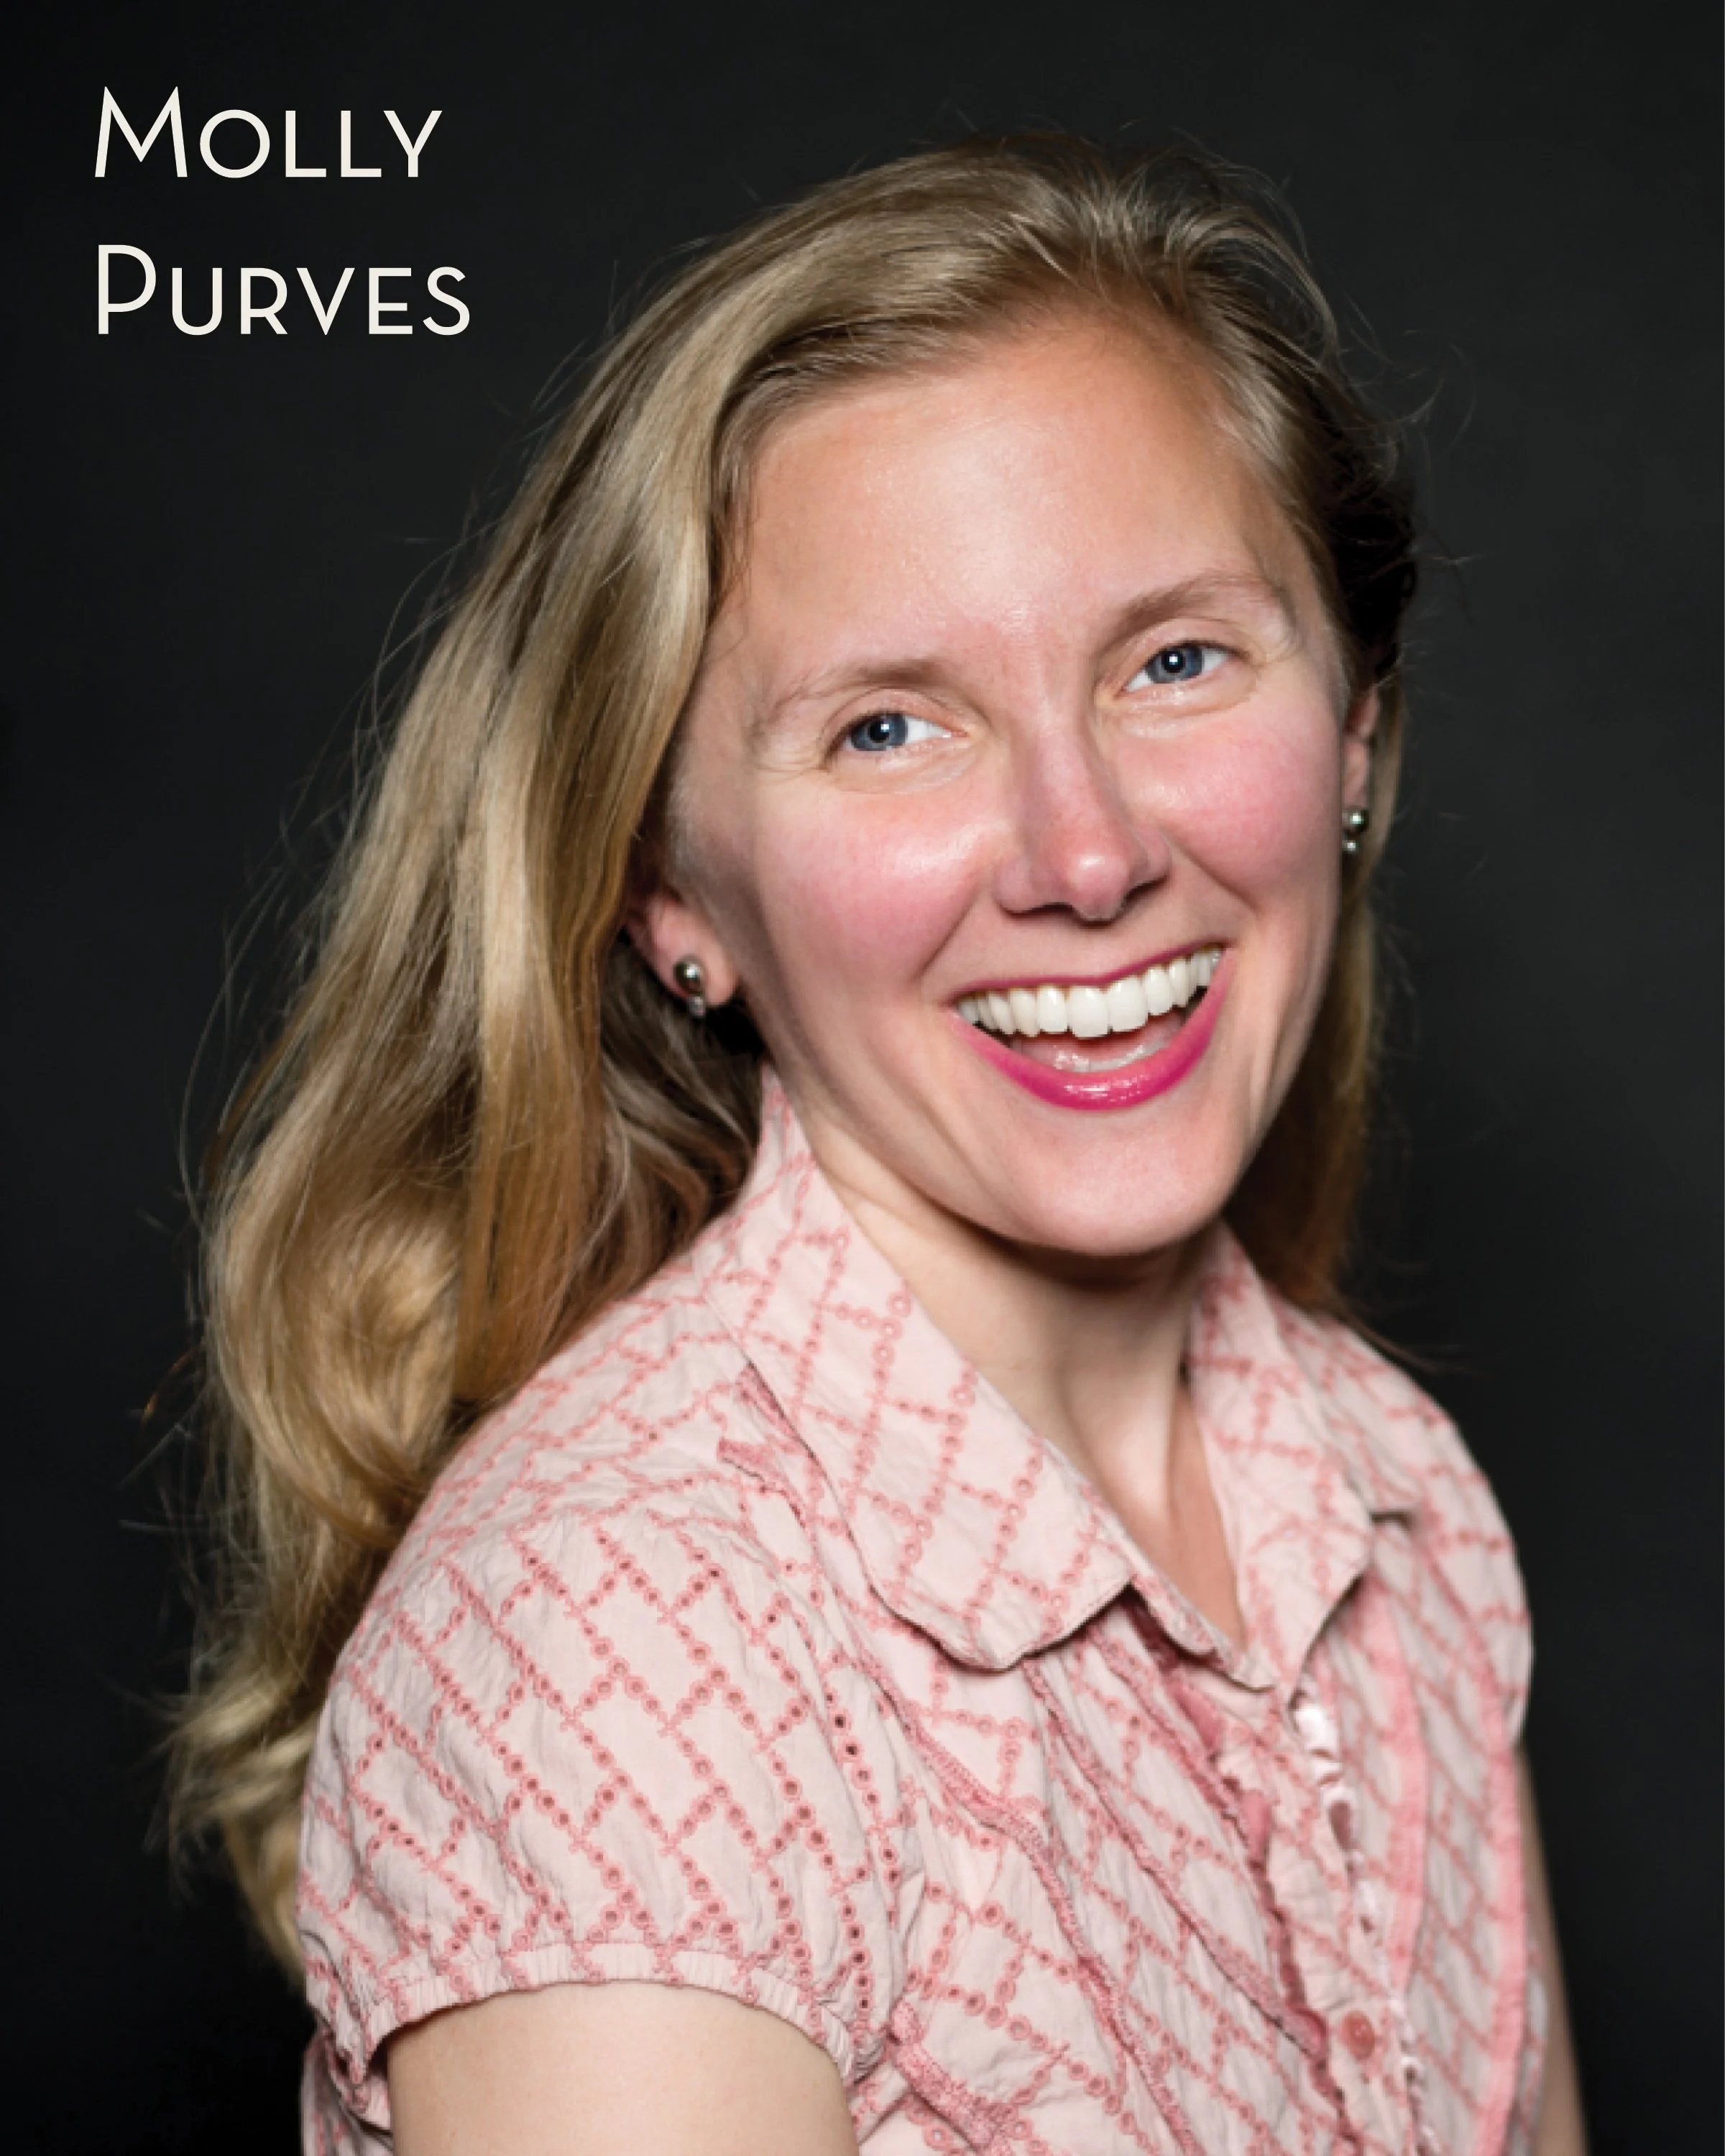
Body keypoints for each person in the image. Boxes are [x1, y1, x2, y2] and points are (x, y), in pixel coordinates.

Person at [173, 136, 1587, 2152]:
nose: (1087, 856)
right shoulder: (625, 1642)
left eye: (1177, 660)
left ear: (1352, 733)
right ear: (670, 894)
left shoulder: (1391, 1494)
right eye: (889, 727)